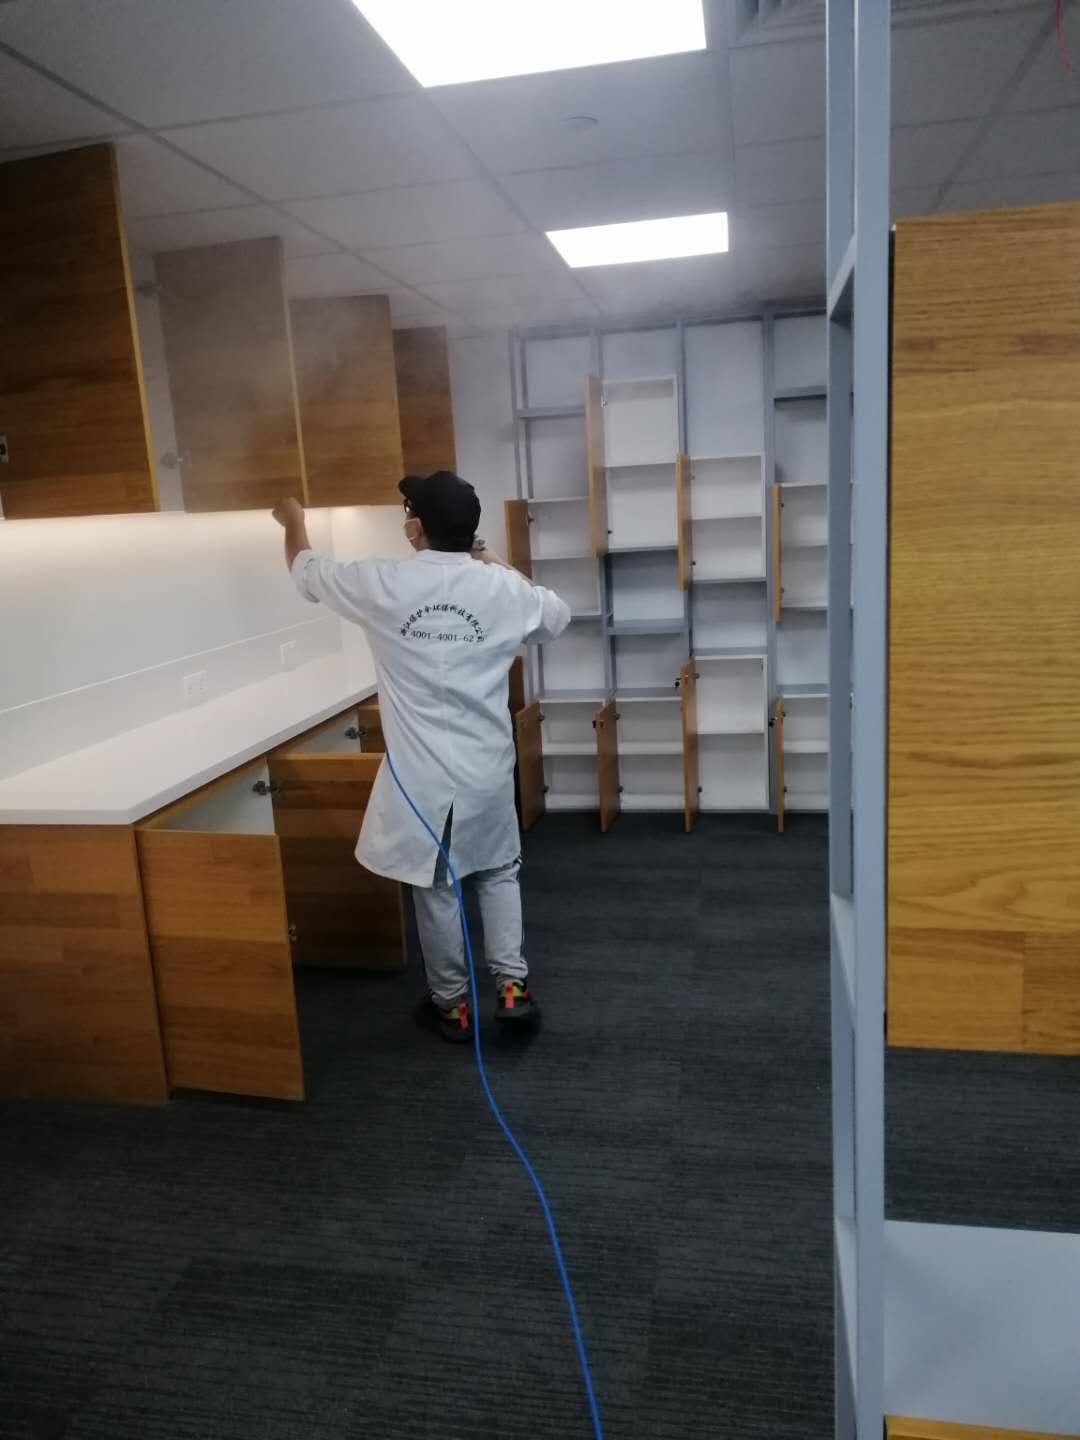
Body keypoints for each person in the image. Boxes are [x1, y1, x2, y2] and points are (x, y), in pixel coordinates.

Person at [273, 472, 571, 1043]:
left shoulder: (382, 582)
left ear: (414, 528)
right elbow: (557, 615)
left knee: (438, 885)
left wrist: (294, 521)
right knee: (498, 871)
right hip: (487, 770)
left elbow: (305, 570)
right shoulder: (501, 589)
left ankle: (452, 1007)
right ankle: (512, 989)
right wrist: (489, 558)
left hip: (422, 779)